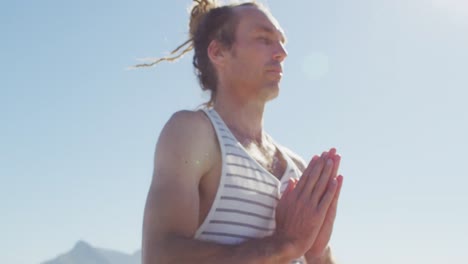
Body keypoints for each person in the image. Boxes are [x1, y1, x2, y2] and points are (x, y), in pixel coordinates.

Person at [140, 1, 344, 263]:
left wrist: (315, 254)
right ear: (218, 52)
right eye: (264, 39)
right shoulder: (193, 133)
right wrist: (283, 245)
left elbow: (312, 254)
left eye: (282, 41)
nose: (282, 52)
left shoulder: (298, 166)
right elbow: (160, 256)